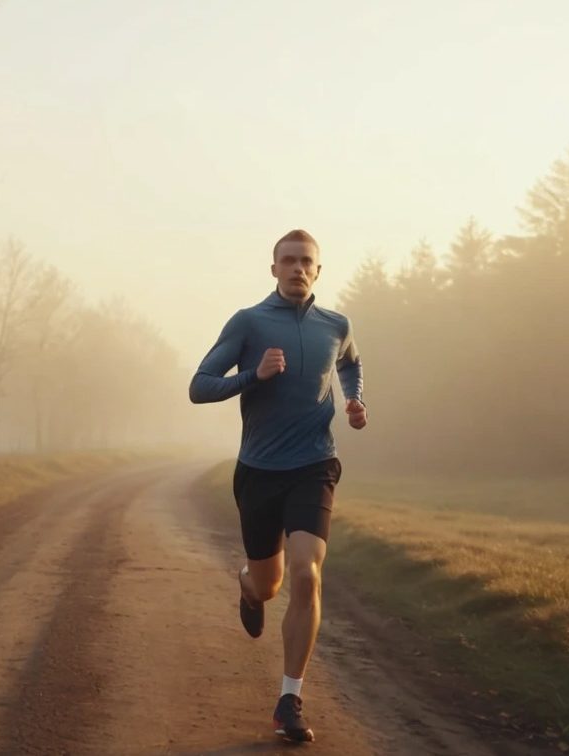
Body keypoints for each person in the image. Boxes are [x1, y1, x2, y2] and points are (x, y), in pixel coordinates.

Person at [189, 228, 366, 743]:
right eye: (287, 261)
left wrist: (355, 401)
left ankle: (290, 698)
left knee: (307, 574)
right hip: (260, 472)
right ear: (273, 269)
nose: (296, 268)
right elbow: (199, 387)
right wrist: (253, 377)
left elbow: (351, 363)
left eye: (305, 261)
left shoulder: (338, 324)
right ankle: (248, 586)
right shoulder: (249, 323)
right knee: (270, 583)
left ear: (318, 270)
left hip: (315, 466)